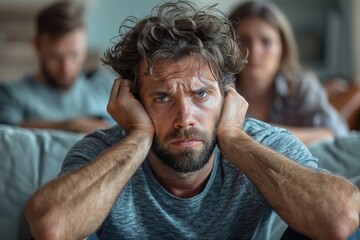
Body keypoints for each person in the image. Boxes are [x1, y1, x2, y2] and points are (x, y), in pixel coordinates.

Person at [25, 1, 360, 240]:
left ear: (228, 97)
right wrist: (138, 138)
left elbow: (341, 220)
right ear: (134, 102)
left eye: (201, 95)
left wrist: (234, 139)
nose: (185, 118)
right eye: (162, 98)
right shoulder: (102, 152)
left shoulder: (262, 142)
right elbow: (50, 228)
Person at [229, 0, 349, 145]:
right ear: (228, 44)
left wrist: (266, 134)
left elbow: (337, 133)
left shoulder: (300, 86)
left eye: (266, 41)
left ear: (283, 47)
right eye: (244, 40)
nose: (254, 51)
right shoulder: (218, 89)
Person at [0, 0, 114, 133]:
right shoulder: (10, 95)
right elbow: (7, 134)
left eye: (74, 54)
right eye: (55, 56)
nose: (66, 67)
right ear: (37, 46)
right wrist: (70, 127)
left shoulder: (103, 86)